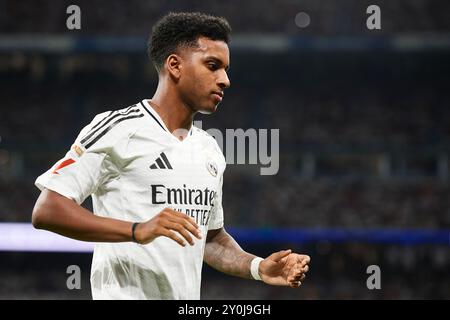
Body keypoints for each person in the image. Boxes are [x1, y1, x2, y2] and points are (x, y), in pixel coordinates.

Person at [32, 12, 310, 300]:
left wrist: (258, 267)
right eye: (212, 66)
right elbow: (48, 210)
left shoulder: (209, 149)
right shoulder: (118, 129)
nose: (225, 80)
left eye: (226, 69)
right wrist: (137, 229)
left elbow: (209, 238)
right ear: (175, 66)